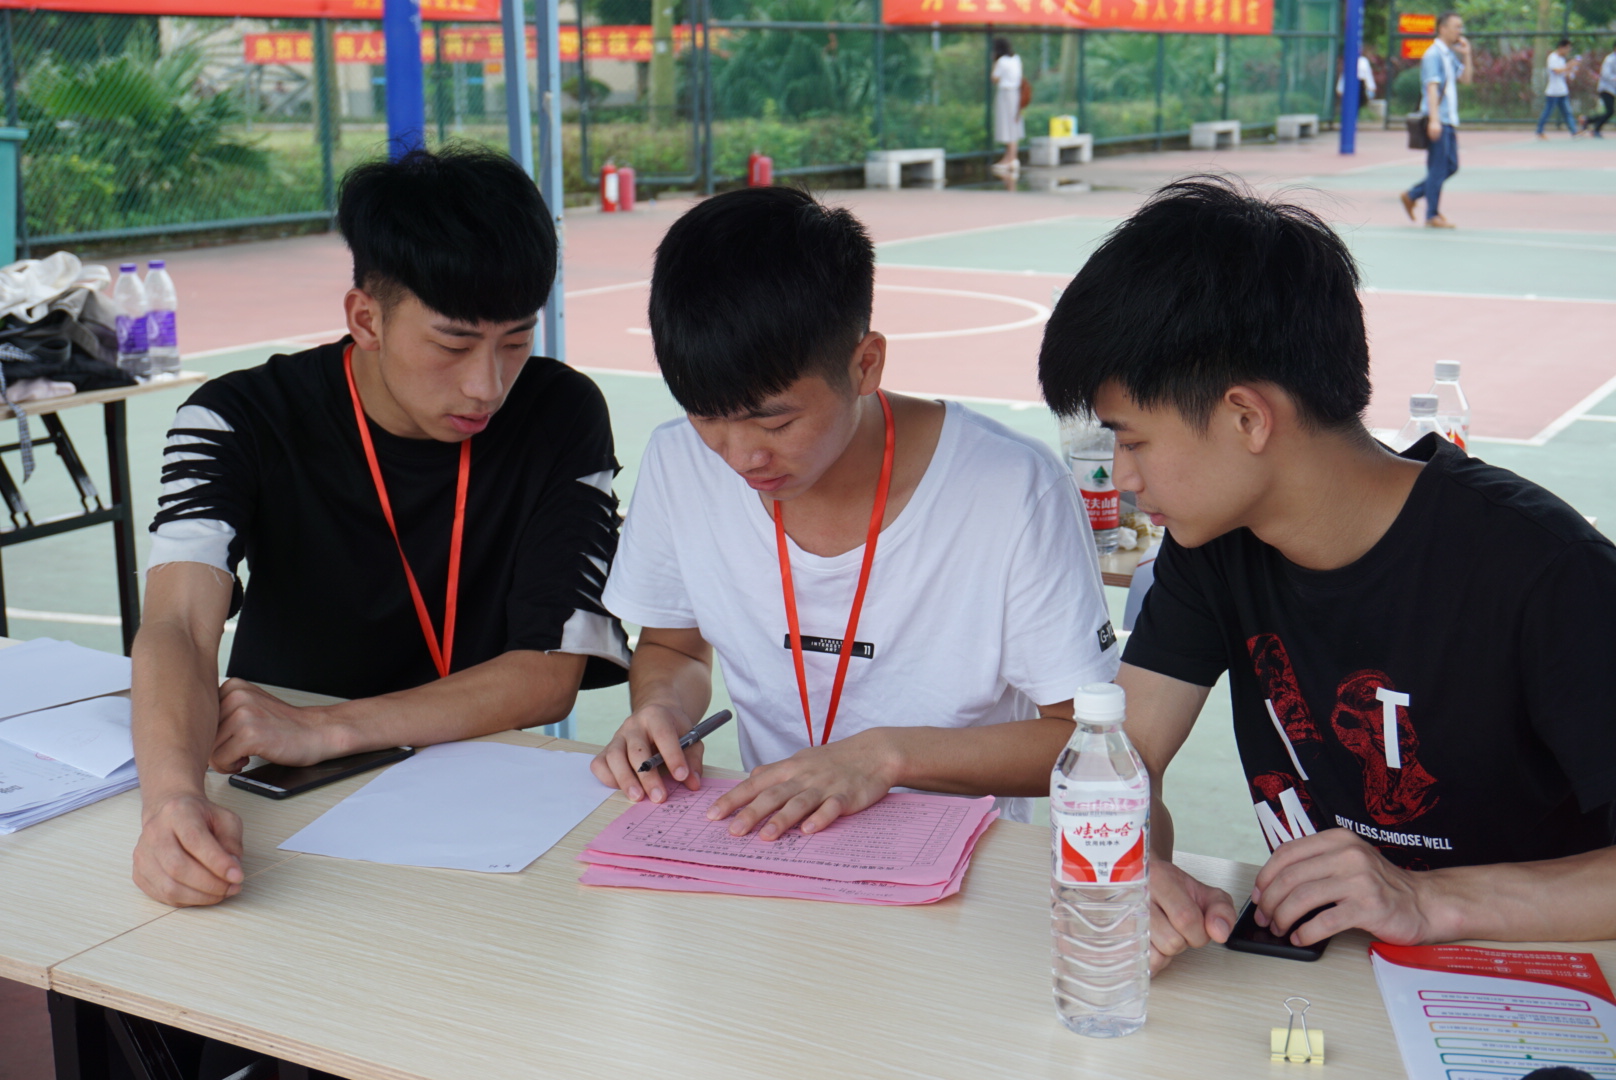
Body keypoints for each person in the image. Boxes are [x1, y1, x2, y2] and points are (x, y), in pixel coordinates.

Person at [1038, 177, 1616, 974]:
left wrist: (1426, 900)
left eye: (1132, 441)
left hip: (1531, 991)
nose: (1123, 478)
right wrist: (1134, 867)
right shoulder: (1215, 545)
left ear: (1247, 417)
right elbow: (1124, 762)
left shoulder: (1545, 573)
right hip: (1338, 982)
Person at [131, 146, 631, 909]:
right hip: (277, 788)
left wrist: (328, 727)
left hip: (483, 798)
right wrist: (171, 801)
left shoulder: (560, 412)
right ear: (366, 318)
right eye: (453, 344)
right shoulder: (236, 417)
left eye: (515, 341)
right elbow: (177, 626)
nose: (487, 385)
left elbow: (547, 674)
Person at [590, 186, 1119, 836]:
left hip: (958, 854)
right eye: (706, 418)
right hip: (772, 839)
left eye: (775, 422)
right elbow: (674, 646)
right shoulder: (680, 462)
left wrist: (887, 757)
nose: (742, 456)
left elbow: (1085, 738)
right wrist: (663, 709)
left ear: (866, 365)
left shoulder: (1013, 490)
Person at [1401, 12, 1472, 229]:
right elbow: (1431, 88)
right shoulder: (1433, 55)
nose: (1459, 31)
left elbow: (1466, 79)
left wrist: (1467, 55)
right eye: (1456, 26)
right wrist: (1434, 120)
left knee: (1451, 166)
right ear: (1442, 28)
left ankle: (1412, 195)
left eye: (1460, 27)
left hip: (1448, 120)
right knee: (1438, 168)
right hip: (1439, 119)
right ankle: (1432, 215)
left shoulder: (1448, 55)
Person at [990, 38, 1025, 174]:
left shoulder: (1001, 61)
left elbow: (994, 78)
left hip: (1005, 94)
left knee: (1007, 125)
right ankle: (1011, 158)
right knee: (1013, 125)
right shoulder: (1016, 58)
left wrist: (994, 63)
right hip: (1016, 93)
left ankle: (1010, 159)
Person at [1537, 39, 1580, 139]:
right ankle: (1539, 131)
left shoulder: (1561, 59)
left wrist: (1572, 70)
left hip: (1562, 91)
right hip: (1553, 92)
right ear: (1561, 48)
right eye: (1567, 48)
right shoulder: (1552, 57)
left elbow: (1564, 73)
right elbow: (1556, 71)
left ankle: (1574, 131)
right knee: (1547, 112)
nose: (1568, 51)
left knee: (1567, 112)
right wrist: (1569, 65)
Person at [1581, 40, 1615, 136]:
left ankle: (1587, 120)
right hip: (1606, 89)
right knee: (1610, 111)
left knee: (1609, 111)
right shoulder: (1610, 59)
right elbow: (1605, 74)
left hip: (1613, 90)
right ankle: (1595, 129)